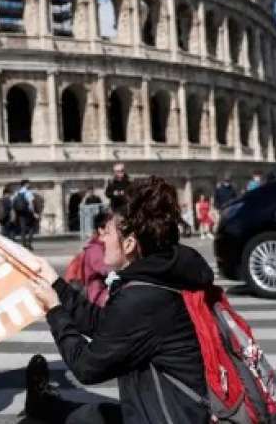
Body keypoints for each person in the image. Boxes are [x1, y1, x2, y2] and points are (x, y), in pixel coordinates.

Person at [27, 176, 212, 424]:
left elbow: (86, 366)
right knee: (86, 414)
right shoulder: (164, 273)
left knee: (86, 418)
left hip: (168, 417)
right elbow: (107, 324)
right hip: (177, 411)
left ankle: (43, 407)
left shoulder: (143, 298)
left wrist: (54, 310)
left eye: (108, 231)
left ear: (129, 243)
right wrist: (56, 284)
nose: (102, 238)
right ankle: (43, 404)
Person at [14, 179, 37, 250]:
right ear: (26, 184)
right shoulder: (28, 192)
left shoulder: (17, 192)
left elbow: (13, 202)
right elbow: (31, 204)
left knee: (23, 229)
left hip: (20, 213)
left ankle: (23, 244)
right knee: (32, 227)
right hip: (28, 212)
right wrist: (34, 213)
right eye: (28, 184)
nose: (29, 185)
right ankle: (29, 243)